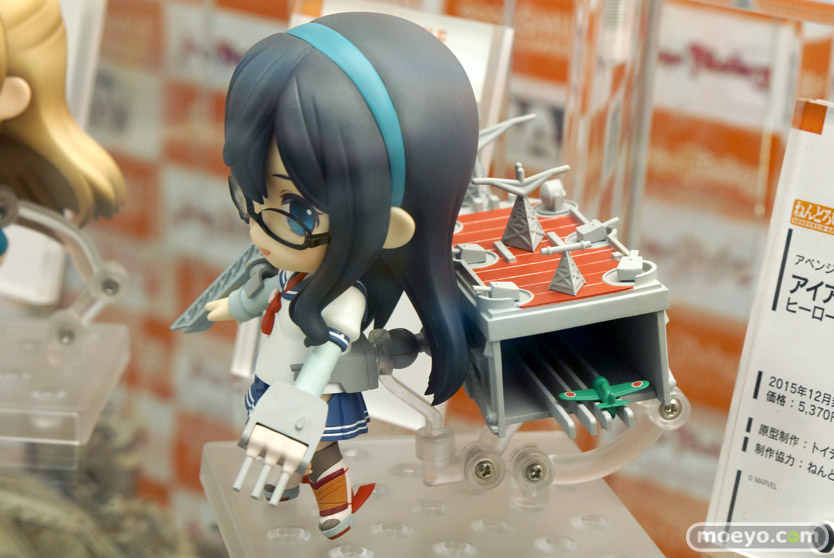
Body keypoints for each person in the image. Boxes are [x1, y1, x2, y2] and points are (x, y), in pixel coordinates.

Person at [204, 12, 479, 539]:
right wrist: (231, 306)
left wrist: (301, 403)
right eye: (250, 194)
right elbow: (260, 300)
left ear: (389, 227)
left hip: (310, 395)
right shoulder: (287, 271)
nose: (259, 227)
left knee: (317, 448)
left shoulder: (342, 301)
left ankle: (336, 511)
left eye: (297, 210)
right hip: (278, 382)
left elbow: (328, 352)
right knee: (277, 443)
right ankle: (282, 486)